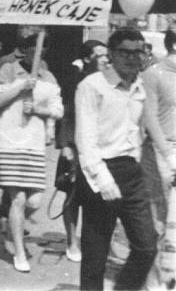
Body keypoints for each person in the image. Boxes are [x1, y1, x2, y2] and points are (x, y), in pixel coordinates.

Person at [75, 28, 174, 290]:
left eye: (137, 52)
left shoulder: (140, 86)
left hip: (132, 172)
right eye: (125, 52)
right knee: (96, 255)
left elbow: (146, 126)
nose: (132, 58)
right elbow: (86, 140)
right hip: (100, 172)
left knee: (146, 246)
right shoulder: (92, 86)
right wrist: (103, 180)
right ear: (112, 54)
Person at [0, 33, 63, 273]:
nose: (38, 54)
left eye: (42, 50)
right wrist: (22, 85)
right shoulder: (9, 69)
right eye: (34, 49)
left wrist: (40, 109)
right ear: (26, 50)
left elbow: (58, 110)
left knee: (34, 200)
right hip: (10, 141)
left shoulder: (49, 77)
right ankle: (19, 252)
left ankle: (11, 227)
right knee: (18, 198)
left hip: (34, 143)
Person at [55, 39, 108, 263]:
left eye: (107, 55)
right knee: (72, 195)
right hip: (75, 146)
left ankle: (92, 241)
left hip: (102, 147)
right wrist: (65, 144)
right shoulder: (75, 81)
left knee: (99, 195)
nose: (106, 60)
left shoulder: (109, 82)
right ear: (87, 59)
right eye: (100, 55)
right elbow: (65, 115)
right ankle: (72, 241)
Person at [139, 29, 176, 290]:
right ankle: (155, 282)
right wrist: (168, 154)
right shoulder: (154, 74)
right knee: (160, 220)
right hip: (162, 152)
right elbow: (149, 118)